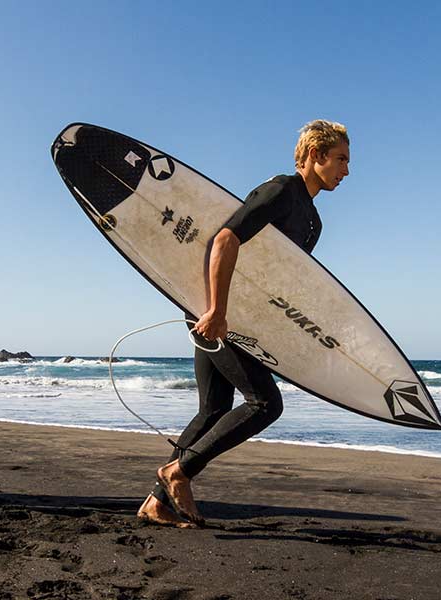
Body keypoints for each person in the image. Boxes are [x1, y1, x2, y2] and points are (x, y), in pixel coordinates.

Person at [138, 121, 351, 527]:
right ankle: (177, 473)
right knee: (265, 404)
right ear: (314, 155)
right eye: (340, 159)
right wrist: (216, 310)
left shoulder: (313, 221)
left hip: (235, 317)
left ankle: (157, 503)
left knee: (214, 408)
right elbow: (225, 239)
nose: (346, 171)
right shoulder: (281, 191)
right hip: (215, 313)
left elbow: (276, 285)